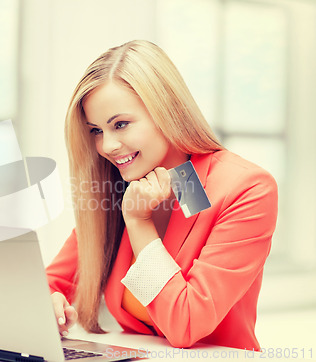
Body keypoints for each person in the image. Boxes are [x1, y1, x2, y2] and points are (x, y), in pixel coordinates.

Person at [45, 40, 278, 351]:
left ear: (166, 111)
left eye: (121, 124)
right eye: (96, 130)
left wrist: (139, 223)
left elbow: (186, 324)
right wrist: (50, 302)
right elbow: (47, 284)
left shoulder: (246, 188)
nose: (107, 146)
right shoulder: (121, 185)